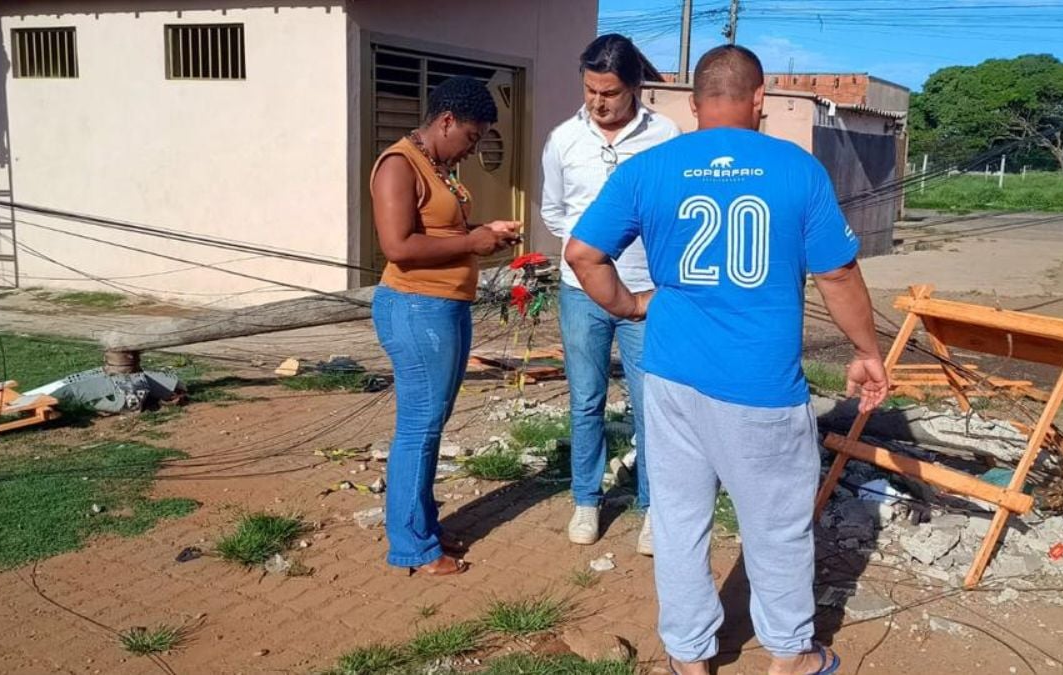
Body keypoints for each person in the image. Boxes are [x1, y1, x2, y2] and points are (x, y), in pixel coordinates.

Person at [566, 45, 889, 674]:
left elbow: (582, 254)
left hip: (671, 377)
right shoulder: (796, 169)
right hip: (760, 385)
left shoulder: (648, 168)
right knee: (777, 525)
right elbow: (838, 273)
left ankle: (689, 658)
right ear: (760, 97)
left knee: (679, 520)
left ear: (693, 104)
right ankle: (789, 655)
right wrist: (866, 350)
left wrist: (631, 305)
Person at [370, 76, 521, 577]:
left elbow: (442, 231)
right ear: (447, 121)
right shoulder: (398, 165)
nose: (472, 149)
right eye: (471, 138)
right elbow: (398, 246)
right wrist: (472, 244)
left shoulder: (437, 166)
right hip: (415, 308)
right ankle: (411, 545)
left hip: (444, 307)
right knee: (418, 426)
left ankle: (425, 528)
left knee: (431, 424)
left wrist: (483, 234)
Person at [541, 34, 680, 554]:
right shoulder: (563, 139)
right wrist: (592, 255)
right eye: (590, 90)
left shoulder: (666, 137)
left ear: (635, 87)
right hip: (581, 292)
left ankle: (653, 507)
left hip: (646, 293)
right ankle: (586, 499)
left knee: (652, 404)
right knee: (586, 400)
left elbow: (675, 212)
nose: (598, 102)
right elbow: (554, 212)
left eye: (610, 93)